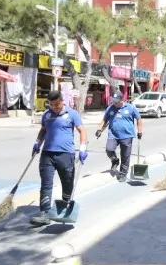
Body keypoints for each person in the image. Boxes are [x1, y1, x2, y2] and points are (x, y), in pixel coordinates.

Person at [30, 90, 88, 226]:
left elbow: (82, 130)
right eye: (51, 104)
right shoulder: (47, 114)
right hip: (47, 154)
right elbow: (43, 130)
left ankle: (65, 204)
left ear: (62, 101)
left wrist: (83, 146)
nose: (55, 107)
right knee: (46, 184)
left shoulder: (72, 114)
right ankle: (44, 213)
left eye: (57, 104)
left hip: (66, 154)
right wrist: (38, 142)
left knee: (68, 182)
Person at [95, 91, 143, 183]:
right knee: (109, 149)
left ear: (122, 100)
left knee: (125, 155)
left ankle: (123, 173)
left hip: (127, 135)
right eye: (113, 101)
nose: (115, 103)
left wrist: (140, 131)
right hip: (113, 134)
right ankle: (115, 160)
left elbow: (139, 119)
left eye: (116, 101)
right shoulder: (110, 108)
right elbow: (105, 119)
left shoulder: (130, 108)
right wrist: (99, 129)